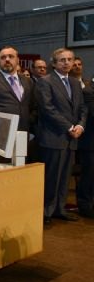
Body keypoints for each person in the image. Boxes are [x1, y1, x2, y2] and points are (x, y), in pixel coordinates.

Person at [35, 48, 87, 225]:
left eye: (69, 59)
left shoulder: (75, 83)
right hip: (53, 136)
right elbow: (48, 109)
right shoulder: (45, 81)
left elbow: (82, 108)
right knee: (51, 177)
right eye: (62, 60)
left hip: (71, 138)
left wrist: (80, 125)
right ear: (54, 63)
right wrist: (69, 127)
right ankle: (46, 211)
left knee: (65, 176)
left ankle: (60, 209)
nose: (66, 62)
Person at [76, 84, 94, 218]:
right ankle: (84, 206)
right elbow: (91, 111)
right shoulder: (88, 91)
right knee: (88, 175)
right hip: (90, 143)